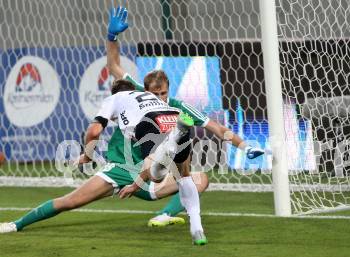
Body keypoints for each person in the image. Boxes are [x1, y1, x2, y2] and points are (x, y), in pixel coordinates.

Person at [106, 5, 264, 227]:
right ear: (145, 91)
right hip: (137, 167)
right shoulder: (138, 95)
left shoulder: (181, 108)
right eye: (154, 94)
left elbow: (218, 129)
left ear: (169, 89)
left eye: (163, 93)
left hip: (163, 170)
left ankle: (164, 215)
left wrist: (245, 147)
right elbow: (113, 66)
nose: (160, 98)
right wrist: (112, 36)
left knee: (201, 179)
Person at [0, 80, 208, 245]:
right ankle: (183, 220)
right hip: (145, 158)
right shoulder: (153, 105)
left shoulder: (120, 109)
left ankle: (16, 224)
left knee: (69, 201)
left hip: (131, 173)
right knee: (191, 177)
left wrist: (87, 157)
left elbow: (94, 130)